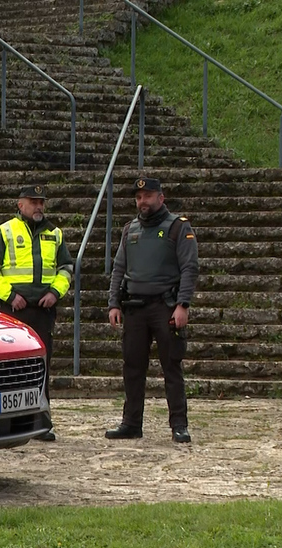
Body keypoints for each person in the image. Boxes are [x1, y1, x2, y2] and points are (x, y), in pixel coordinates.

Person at [105, 177, 198, 444]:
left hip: (166, 307)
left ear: (161, 197)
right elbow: (119, 269)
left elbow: (190, 268)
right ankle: (132, 423)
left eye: (147, 196)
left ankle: (179, 424)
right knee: (132, 367)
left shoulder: (178, 228)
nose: (142, 202)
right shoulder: (129, 229)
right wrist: (113, 303)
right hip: (134, 308)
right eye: (138, 197)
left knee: (171, 366)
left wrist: (183, 305)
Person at [0, 185, 73, 442]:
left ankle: (42, 420)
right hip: (12, 311)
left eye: (41, 201)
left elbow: (66, 268)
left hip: (43, 311)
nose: (39, 206)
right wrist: (10, 296)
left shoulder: (55, 233)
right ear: (20, 205)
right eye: (33, 202)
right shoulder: (4, 232)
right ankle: (5, 422)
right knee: (8, 368)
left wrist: (55, 292)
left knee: (41, 366)